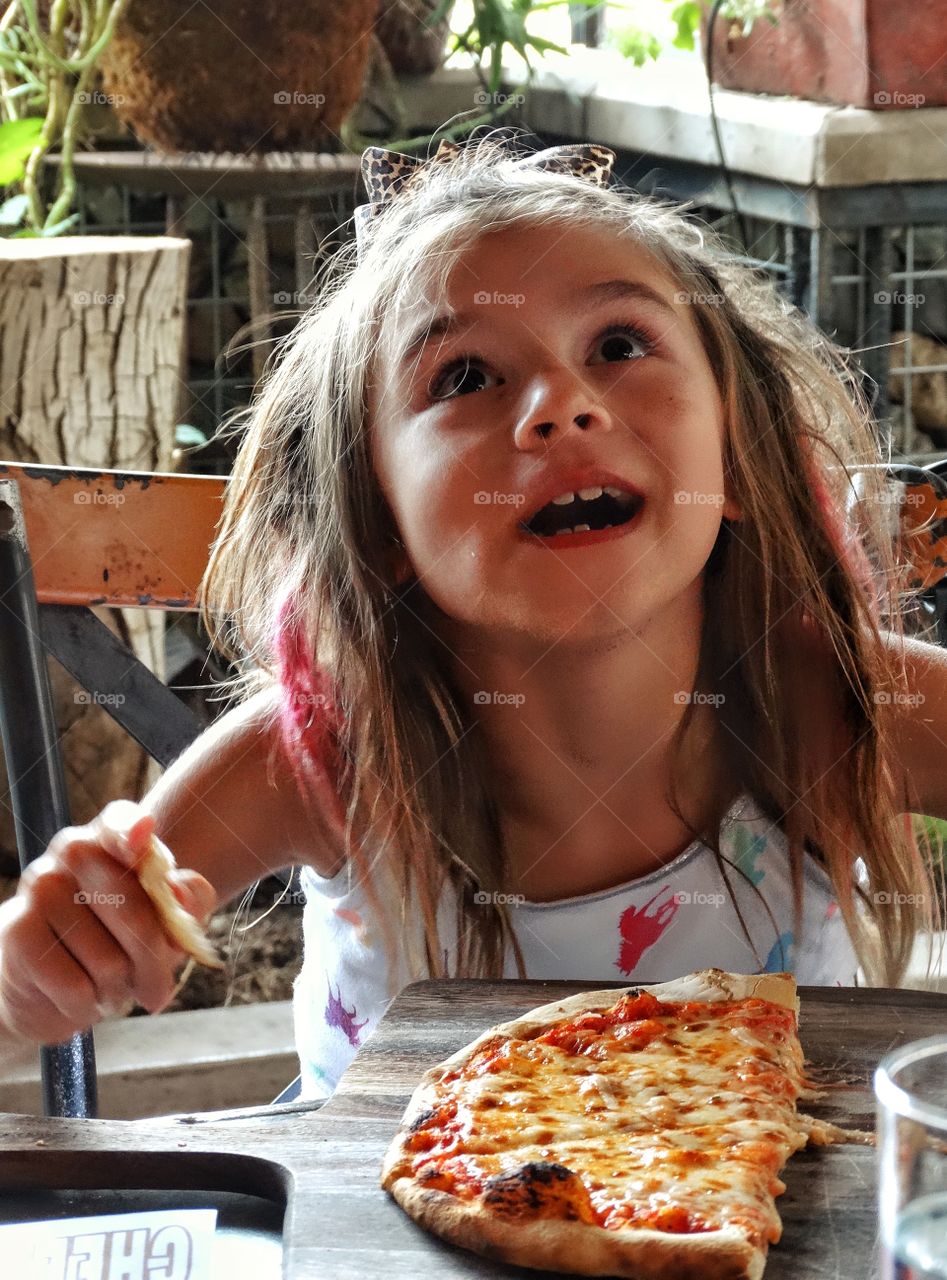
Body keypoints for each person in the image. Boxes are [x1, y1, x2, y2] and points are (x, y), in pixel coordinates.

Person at [1, 133, 945, 1101]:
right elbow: (26, 992)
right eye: (462, 377)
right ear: (380, 526)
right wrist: (32, 975)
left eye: (618, 344)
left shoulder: (837, 700)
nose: (561, 404)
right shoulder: (323, 757)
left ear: (737, 458)